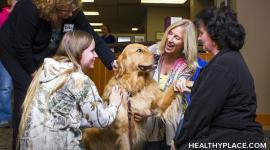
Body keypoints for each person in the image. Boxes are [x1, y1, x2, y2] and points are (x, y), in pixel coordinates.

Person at [0, 0, 117, 148]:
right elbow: (21, 47)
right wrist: (35, 74)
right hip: (15, 54)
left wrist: (112, 61)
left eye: (73, 9)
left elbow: (92, 35)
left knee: (48, 97)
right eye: (66, 11)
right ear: (52, 6)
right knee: (27, 97)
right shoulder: (29, 7)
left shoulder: (72, 10)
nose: (71, 13)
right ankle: (22, 143)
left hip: (41, 52)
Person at [174, 7, 265, 149]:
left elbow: (200, 113)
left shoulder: (222, 65)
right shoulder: (231, 59)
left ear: (214, 35)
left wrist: (178, 142)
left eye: (202, 33)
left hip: (233, 138)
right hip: (242, 136)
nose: (199, 38)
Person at [18, 30, 122, 150]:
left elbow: (62, 117)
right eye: (92, 51)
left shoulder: (46, 72)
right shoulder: (79, 80)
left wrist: (98, 109)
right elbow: (102, 121)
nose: (96, 55)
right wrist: (114, 104)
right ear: (78, 51)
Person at [134, 19, 198, 150]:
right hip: (145, 127)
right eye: (170, 33)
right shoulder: (153, 52)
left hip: (171, 127)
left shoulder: (187, 67)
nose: (170, 39)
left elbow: (169, 100)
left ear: (184, 43)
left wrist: (147, 112)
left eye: (177, 37)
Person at [0, 0, 16, 128]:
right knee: (6, 87)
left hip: (20, 56)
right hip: (4, 56)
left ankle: (22, 116)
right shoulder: (2, 16)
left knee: (24, 87)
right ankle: (4, 117)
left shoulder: (24, 14)